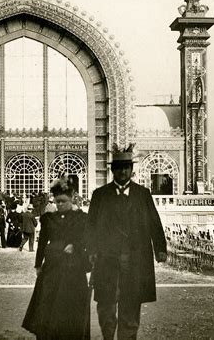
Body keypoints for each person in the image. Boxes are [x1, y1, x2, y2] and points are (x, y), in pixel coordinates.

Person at [86, 145, 167, 340]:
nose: (123, 172)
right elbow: (90, 227)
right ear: (112, 170)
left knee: (131, 303)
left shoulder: (142, 194)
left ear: (132, 170)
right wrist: (91, 250)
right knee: (106, 304)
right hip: (106, 260)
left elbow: (154, 223)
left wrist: (160, 248)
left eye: (126, 167)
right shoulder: (100, 195)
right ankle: (108, 335)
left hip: (135, 259)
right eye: (119, 167)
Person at [22, 176, 91, 339]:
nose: (60, 205)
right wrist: (38, 264)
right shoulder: (48, 219)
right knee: (48, 303)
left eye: (63, 201)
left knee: (71, 304)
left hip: (74, 267)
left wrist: (75, 246)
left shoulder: (81, 218)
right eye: (57, 201)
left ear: (71, 199)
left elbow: (88, 239)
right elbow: (42, 242)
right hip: (52, 267)